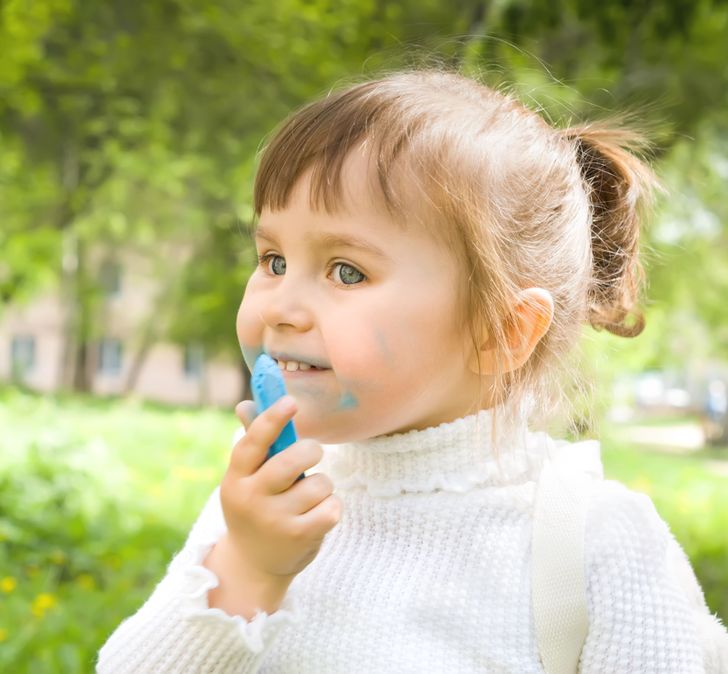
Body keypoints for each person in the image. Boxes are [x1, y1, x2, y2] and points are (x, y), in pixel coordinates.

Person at [97, 70, 728, 673]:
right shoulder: (267, 502)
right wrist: (248, 571)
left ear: (501, 332)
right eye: (274, 259)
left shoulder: (594, 543)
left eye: (347, 271)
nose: (281, 308)